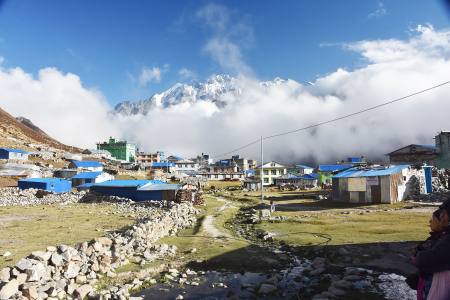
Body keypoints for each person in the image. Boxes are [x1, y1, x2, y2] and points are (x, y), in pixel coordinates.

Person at [407, 199, 450, 300]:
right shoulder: (443, 236)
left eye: (444, 213)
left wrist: (417, 257)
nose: (442, 216)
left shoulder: (447, 239)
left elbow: (433, 258)